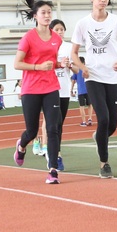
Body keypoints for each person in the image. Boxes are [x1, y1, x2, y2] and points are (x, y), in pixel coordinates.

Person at [71, 0, 117, 179]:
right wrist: (82, 68)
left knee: (112, 125)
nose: (103, 0)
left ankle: (99, 137)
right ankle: (104, 164)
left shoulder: (116, 21)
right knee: (103, 118)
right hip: (93, 77)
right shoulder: (83, 24)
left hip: (113, 77)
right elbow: (74, 53)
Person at [12, 0, 63, 185]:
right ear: (35, 16)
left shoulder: (56, 39)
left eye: (49, 12)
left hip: (51, 87)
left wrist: (61, 63)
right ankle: (21, 146)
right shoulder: (28, 38)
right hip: (31, 89)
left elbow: (52, 62)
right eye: (43, 12)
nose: (47, 15)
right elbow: (17, 64)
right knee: (32, 132)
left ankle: (53, 170)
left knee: (52, 129)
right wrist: (38, 67)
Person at [47, 18, 74, 171]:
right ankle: (55, 156)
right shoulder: (47, 46)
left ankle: (55, 153)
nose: (59, 32)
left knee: (59, 125)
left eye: (61, 29)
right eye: (56, 29)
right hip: (50, 89)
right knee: (53, 125)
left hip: (64, 90)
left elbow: (76, 70)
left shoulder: (69, 47)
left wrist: (70, 65)